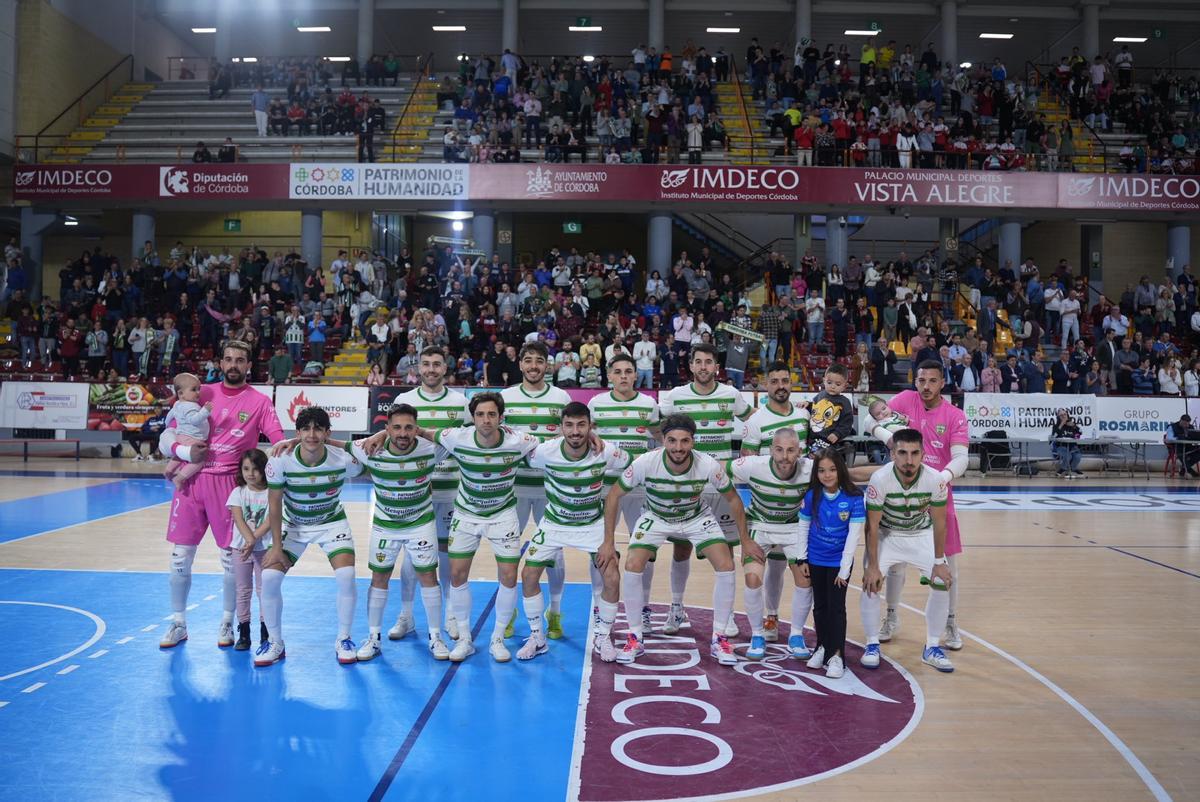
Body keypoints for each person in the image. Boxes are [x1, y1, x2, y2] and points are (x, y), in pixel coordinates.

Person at [159, 340, 285, 651]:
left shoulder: (259, 401)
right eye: (228, 359)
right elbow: (167, 435)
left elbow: (278, 438)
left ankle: (229, 620)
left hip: (229, 487)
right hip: (191, 483)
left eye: (239, 360)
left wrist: (285, 463)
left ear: (248, 366)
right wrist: (182, 450)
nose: (233, 365)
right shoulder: (201, 394)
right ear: (220, 361)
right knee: (179, 558)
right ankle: (178, 622)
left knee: (231, 560)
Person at [606, 414, 756, 666]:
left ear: (693, 442)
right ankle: (635, 637)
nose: (678, 447)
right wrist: (608, 542)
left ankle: (719, 638)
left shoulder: (707, 464)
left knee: (726, 565)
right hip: (656, 515)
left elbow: (733, 499)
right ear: (662, 441)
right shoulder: (645, 462)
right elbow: (613, 496)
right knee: (632, 564)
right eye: (672, 441)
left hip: (696, 516)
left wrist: (746, 539)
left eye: (684, 441)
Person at [426, 393, 540, 662]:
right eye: (480, 415)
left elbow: (550, 445)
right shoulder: (456, 437)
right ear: (472, 418)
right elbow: (420, 431)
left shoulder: (519, 441)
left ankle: (497, 639)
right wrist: (376, 437)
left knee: (510, 576)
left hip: (503, 516)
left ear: (501, 418)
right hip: (466, 515)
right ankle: (465, 639)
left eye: (491, 414)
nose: (486, 420)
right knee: (456, 575)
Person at [518, 403, 631, 661]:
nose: (575, 431)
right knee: (528, 574)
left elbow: (632, 464)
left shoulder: (607, 452)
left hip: (592, 524)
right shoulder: (545, 452)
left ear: (591, 426)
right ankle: (537, 636)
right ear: (561, 428)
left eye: (582, 425)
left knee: (611, 575)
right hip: (554, 523)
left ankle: (603, 636)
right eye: (569, 425)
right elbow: (519, 448)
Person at [870, 360, 969, 651]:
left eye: (932, 381)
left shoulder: (955, 415)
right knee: (895, 562)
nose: (926, 386)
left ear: (942, 383)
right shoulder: (903, 400)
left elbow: (961, 457)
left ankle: (950, 620)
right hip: (897, 493)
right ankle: (891, 617)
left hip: (936, 494)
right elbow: (869, 420)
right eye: (921, 380)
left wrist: (943, 478)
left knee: (948, 564)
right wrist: (891, 438)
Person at [257, 406, 365, 666]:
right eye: (306, 429)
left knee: (347, 575)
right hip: (293, 524)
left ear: (328, 432)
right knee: (269, 577)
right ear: (298, 432)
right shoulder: (280, 460)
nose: (312, 434)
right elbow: (274, 504)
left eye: (319, 428)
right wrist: (276, 547)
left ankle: (344, 639)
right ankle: (275, 642)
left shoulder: (343, 460)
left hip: (331, 523)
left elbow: (366, 449)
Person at [658, 343, 753, 637]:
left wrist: (748, 453)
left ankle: (726, 616)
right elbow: (654, 428)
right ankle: (676, 608)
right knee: (681, 548)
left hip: (721, 485)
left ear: (716, 367)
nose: (702, 367)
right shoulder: (675, 397)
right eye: (697, 362)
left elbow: (757, 422)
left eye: (708, 362)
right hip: (686, 485)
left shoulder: (730, 394)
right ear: (691, 366)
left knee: (723, 553)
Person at [349, 404, 452, 662]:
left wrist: (423, 432)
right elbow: (336, 445)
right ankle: (373, 638)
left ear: (417, 429)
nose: (403, 433)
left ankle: (436, 636)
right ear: (387, 430)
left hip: (421, 523)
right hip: (385, 526)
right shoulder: (371, 450)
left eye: (409, 427)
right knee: (379, 578)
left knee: (429, 576)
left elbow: (458, 437)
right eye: (396, 428)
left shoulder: (431, 450)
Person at [860, 428, 956, 673]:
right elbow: (871, 526)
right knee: (871, 582)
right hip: (887, 535)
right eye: (902, 453)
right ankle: (871, 644)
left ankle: (932, 647)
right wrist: (872, 566)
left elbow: (940, 522)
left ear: (924, 454)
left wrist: (939, 561)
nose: (909, 460)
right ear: (893, 454)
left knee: (942, 580)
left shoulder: (935, 479)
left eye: (915, 453)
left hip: (920, 534)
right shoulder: (880, 479)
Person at [393, 347, 470, 640]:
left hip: (451, 491)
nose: (431, 369)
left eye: (437, 364)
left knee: (449, 557)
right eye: (426, 364)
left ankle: (451, 614)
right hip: (416, 493)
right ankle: (407, 615)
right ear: (419, 367)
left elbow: (468, 443)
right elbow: (393, 439)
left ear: (445, 367)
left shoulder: (460, 403)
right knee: (411, 559)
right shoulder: (405, 400)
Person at [500, 342, 571, 639]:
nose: (533, 366)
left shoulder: (560, 397)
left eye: (539, 361)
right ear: (520, 364)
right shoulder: (505, 397)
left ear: (547, 366)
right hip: (513, 487)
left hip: (550, 488)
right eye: (527, 360)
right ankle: (508, 611)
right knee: (508, 552)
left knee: (554, 554)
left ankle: (554, 612)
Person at [739, 361, 812, 641]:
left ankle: (774, 616)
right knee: (763, 566)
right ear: (765, 385)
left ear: (791, 383)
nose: (781, 386)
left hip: (797, 512)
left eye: (785, 380)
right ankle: (769, 618)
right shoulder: (755, 422)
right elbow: (746, 465)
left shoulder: (805, 417)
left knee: (781, 566)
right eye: (774, 381)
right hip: (765, 508)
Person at [587, 353, 660, 632]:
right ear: (610, 376)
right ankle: (597, 605)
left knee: (646, 549)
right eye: (618, 372)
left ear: (635, 374)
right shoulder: (596, 404)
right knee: (600, 548)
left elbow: (660, 438)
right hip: (605, 487)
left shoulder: (648, 404)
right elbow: (587, 436)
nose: (624, 376)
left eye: (629, 371)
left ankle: (643, 607)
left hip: (639, 489)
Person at [729, 428, 814, 661]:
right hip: (760, 525)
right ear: (770, 450)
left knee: (806, 580)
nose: (785, 456)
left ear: (800, 451)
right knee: (752, 578)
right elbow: (717, 470)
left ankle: (796, 635)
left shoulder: (810, 469)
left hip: (794, 527)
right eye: (779, 449)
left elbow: (847, 476)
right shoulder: (752, 466)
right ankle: (757, 635)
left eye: (790, 450)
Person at [796, 449, 865, 678]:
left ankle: (837, 656)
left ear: (840, 470)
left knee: (836, 609)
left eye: (832, 470)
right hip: (815, 559)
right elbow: (803, 528)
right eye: (822, 471)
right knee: (820, 608)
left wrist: (844, 570)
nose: (827, 475)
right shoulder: (811, 496)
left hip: (839, 563)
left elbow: (853, 537)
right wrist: (802, 558)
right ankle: (822, 647)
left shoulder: (854, 498)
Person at [226, 449, 271, 651]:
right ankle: (244, 633)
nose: (250, 473)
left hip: (264, 549)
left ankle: (266, 632)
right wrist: (249, 540)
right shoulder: (238, 492)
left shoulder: (272, 492)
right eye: (246, 469)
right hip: (241, 548)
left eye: (255, 469)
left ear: (264, 470)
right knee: (243, 590)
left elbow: (272, 519)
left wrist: (254, 540)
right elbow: (238, 518)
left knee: (265, 591)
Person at [161, 373, 212, 489]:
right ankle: (179, 478)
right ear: (180, 394)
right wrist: (205, 411)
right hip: (192, 438)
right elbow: (194, 420)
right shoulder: (191, 406)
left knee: (179, 456)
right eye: (194, 389)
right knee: (199, 460)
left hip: (181, 436)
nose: (198, 392)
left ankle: (169, 470)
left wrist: (166, 424)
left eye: (199, 389)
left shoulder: (177, 404)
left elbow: (170, 416)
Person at [1051, 408, 1084, 478]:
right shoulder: (1056, 426)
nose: (1063, 416)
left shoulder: (1072, 424)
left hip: (1072, 446)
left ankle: (1073, 469)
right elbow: (1054, 436)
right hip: (1061, 446)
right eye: (1061, 415)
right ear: (1058, 417)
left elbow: (1080, 433)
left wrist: (1074, 426)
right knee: (1068, 456)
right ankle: (1063, 469)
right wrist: (1061, 424)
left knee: (1078, 456)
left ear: (1067, 415)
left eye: (1064, 414)